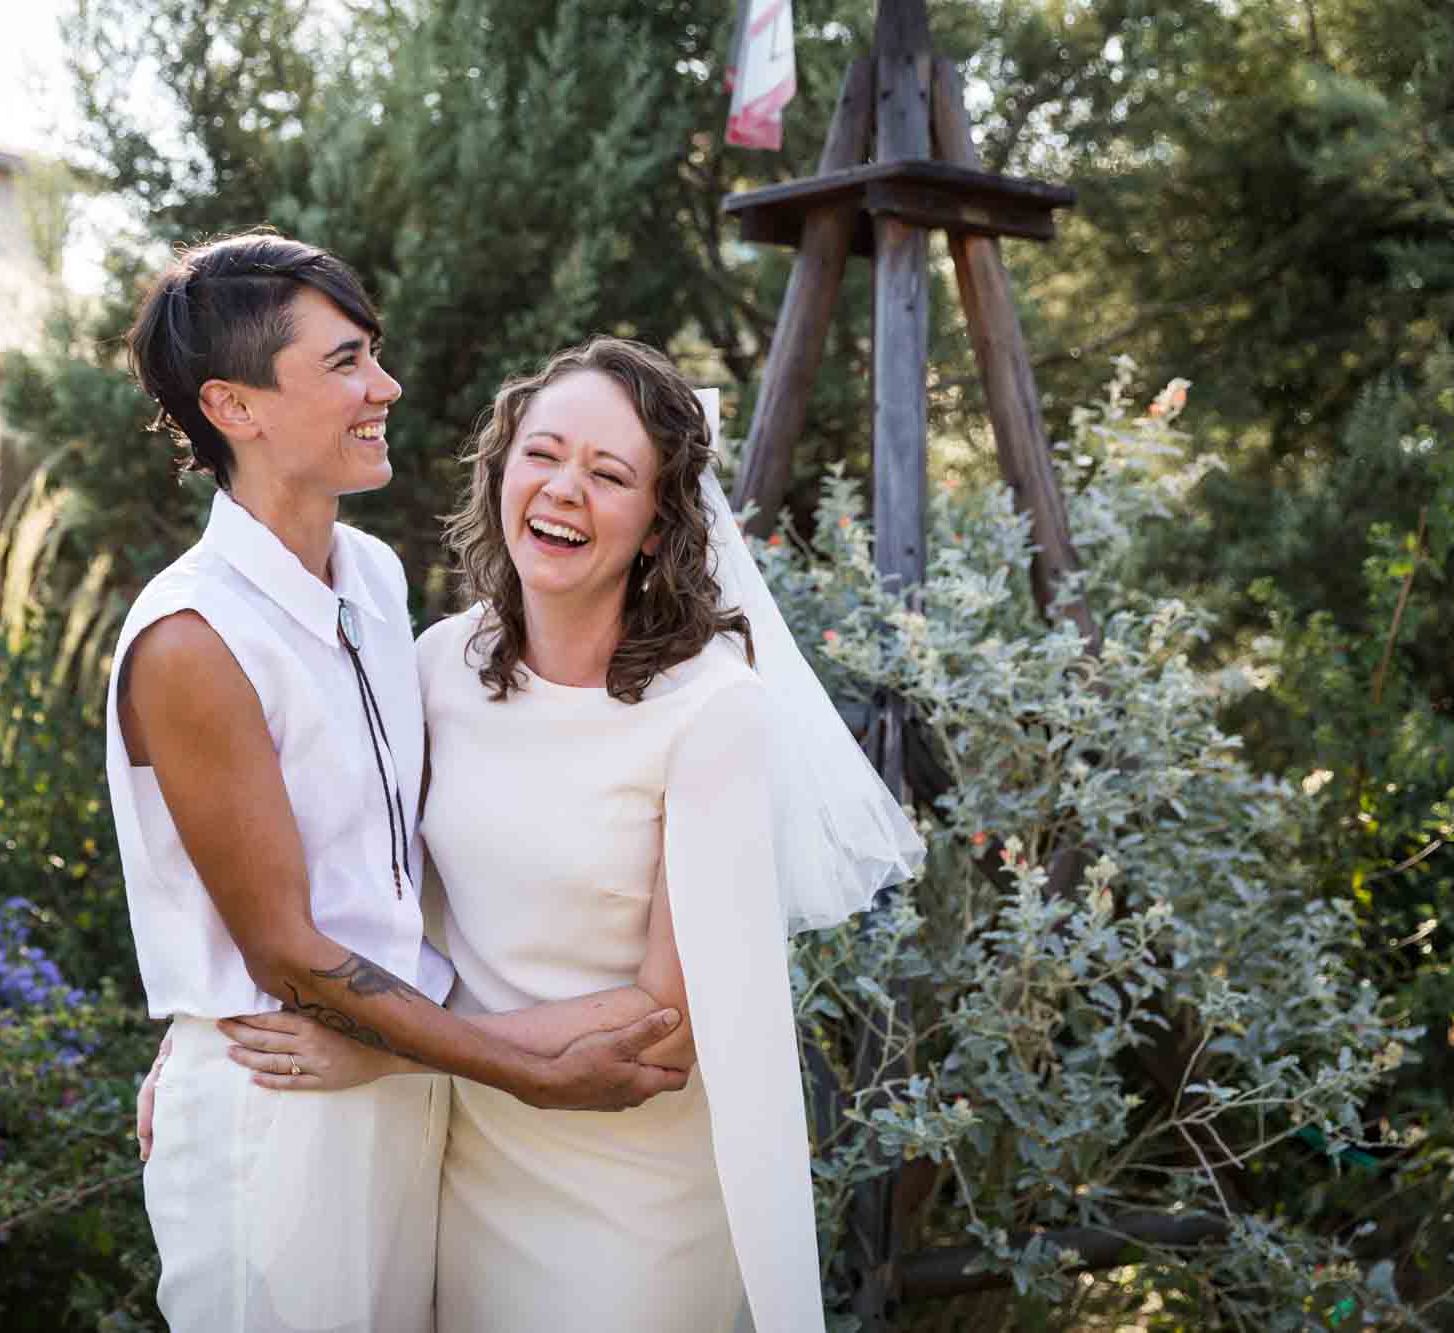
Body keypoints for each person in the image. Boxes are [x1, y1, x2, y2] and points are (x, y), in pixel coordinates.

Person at [213, 337, 925, 1330]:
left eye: (609, 474)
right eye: (541, 454)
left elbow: (661, 1022)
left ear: (655, 527)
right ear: (501, 466)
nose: (561, 491)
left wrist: (390, 1051)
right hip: (460, 1168)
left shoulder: (713, 714)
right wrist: (195, 1048)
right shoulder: (436, 665)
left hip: (629, 1201)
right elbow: (333, 872)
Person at [109, 237, 691, 1333]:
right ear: (233, 406)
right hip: (280, 1106)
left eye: (371, 353)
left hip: (398, 1088)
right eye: (342, 363)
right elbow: (280, 948)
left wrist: (423, 1065)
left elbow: (390, 862)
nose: (385, 386)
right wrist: (532, 1074)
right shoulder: (193, 639)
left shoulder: (374, 581)